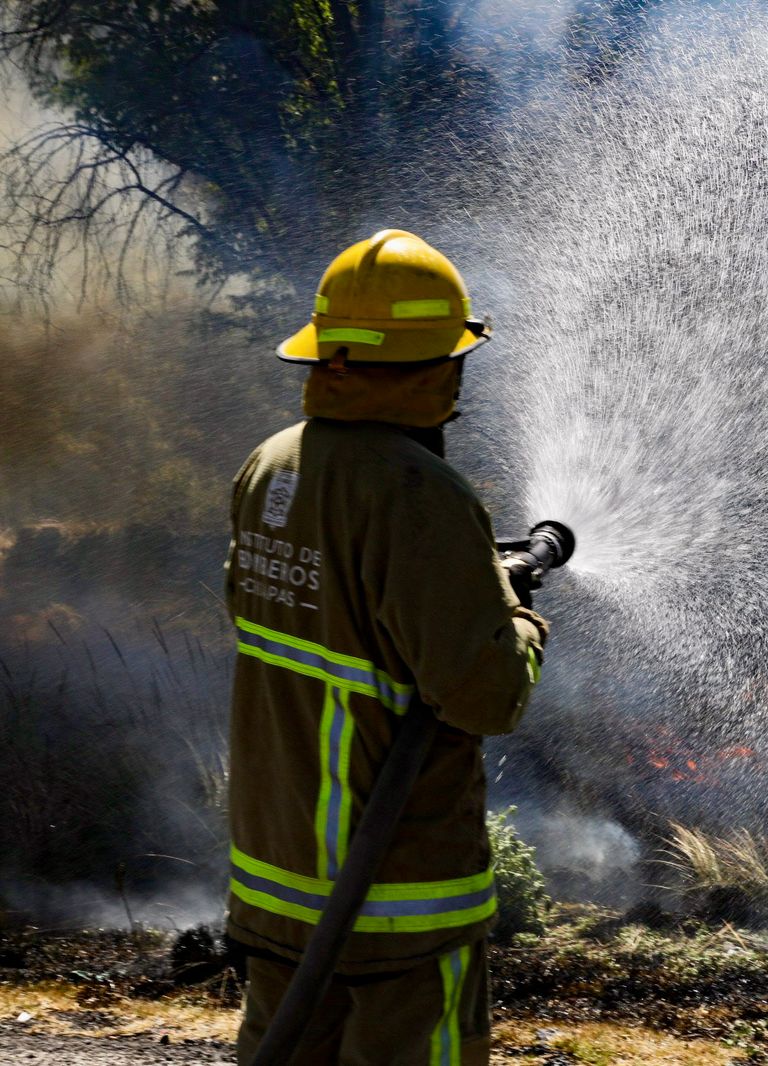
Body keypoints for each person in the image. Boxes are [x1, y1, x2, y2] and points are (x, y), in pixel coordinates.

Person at [225, 229, 548, 1065]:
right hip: (393, 895)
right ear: (439, 365)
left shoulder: (270, 466)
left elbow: (309, 618)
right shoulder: (418, 493)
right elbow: (486, 696)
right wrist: (515, 617)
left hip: (280, 875)